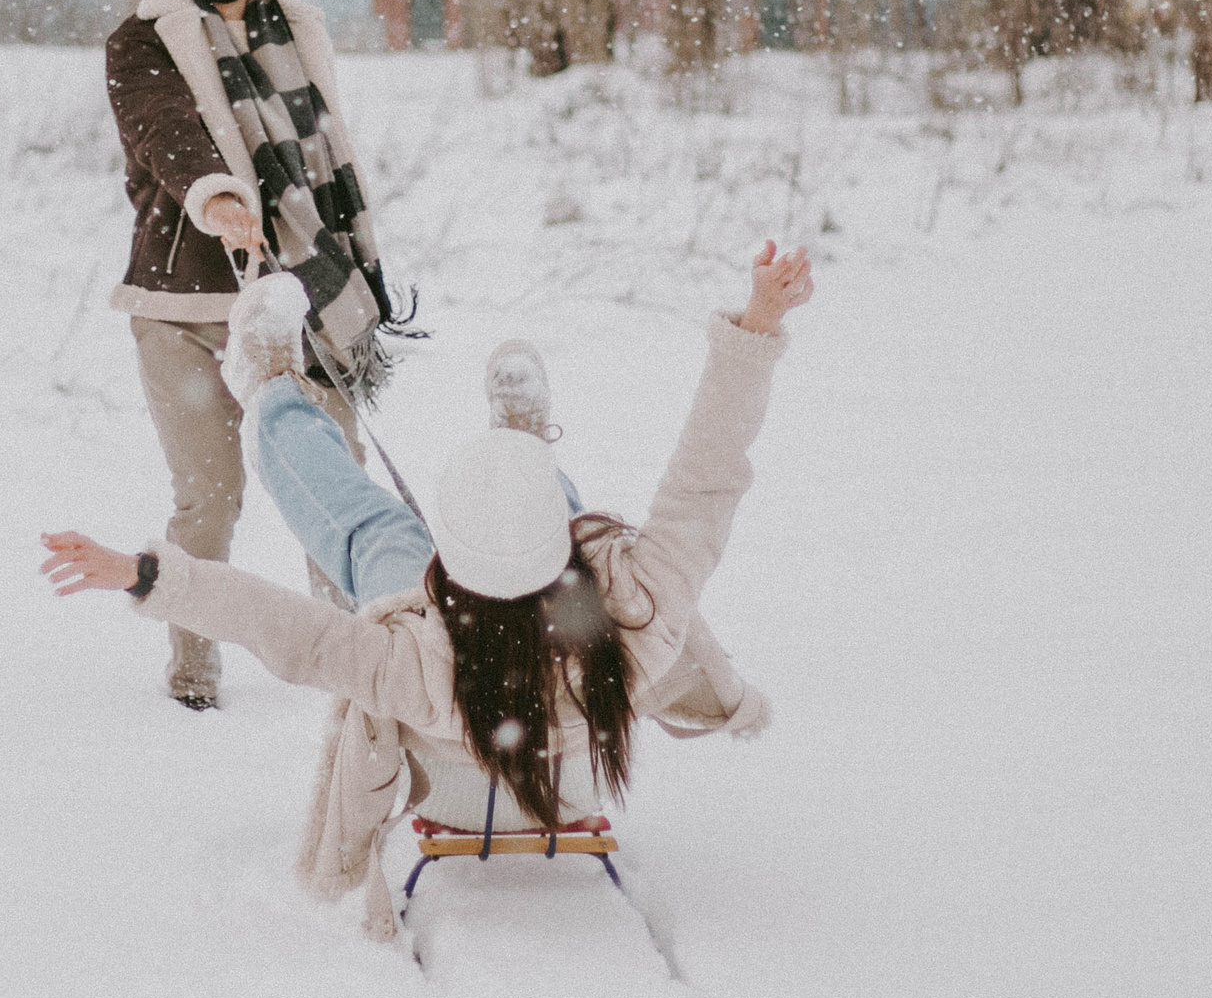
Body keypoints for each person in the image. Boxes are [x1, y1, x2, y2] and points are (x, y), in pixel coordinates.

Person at [42, 242, 813, 936]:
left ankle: (272, 388)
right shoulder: (636, 613)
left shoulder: (416, 657)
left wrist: (149, 573)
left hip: (450, 790)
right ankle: (522, 446)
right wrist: (756, 324)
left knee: (371, 530)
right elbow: (706, 482)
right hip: (568, 780)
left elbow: (287, 628)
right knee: (578, 522)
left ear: (450, 565)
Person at [103, 0, 407, 710]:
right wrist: (222, 199)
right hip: (185, 307)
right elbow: (168, 133)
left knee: (336, 484)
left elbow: (320, 154)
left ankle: (362, 671)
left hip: (304, 301)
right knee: (210, 497)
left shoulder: (301, 27)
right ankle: (192, 673)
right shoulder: (141, 37)